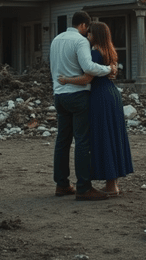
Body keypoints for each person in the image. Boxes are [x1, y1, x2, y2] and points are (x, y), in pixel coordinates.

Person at [58, 21, 134, 197]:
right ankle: (113, 183)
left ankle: (111, 186)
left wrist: (66, 80)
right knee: (113, 136)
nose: (87, 36)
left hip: (100, 97)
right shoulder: (110, 51)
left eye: (90, 33)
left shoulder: (94, 53)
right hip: (112, 95)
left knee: (104, 137)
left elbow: (87, 79)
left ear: (96, 35)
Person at [50, 11, 116, 201]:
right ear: (83, 25)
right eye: (87, 29)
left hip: (59, 95)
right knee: (82, 141)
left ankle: (62, 184)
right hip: (78, 95)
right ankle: (84, 187)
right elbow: (88, 67)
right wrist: (108, 69)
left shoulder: (56, 40)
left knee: (62, 141)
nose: (87, 33)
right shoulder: (80, 41)